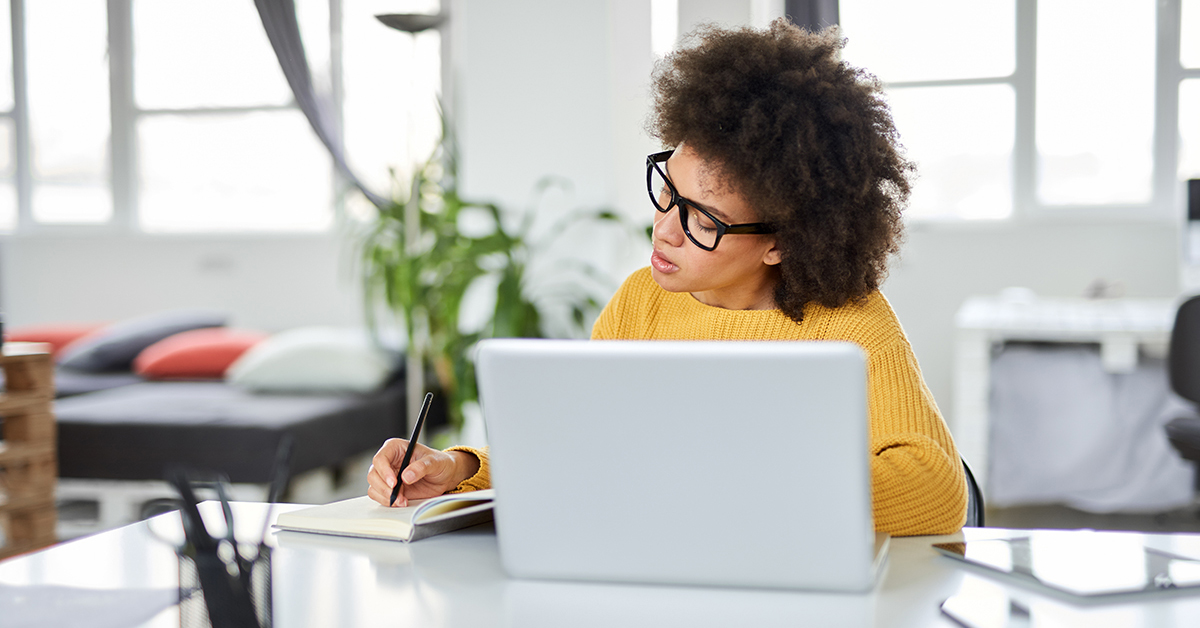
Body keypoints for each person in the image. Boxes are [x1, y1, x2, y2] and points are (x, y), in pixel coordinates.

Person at [367, 20, 968, 537]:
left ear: (782, 243)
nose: (665, 230)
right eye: (667, 191)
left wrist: (749, 490)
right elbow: (574, 451)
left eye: (703, 218)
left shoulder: (850, 321)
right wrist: (456, 468)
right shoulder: (640, 301)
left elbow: (938, 490)